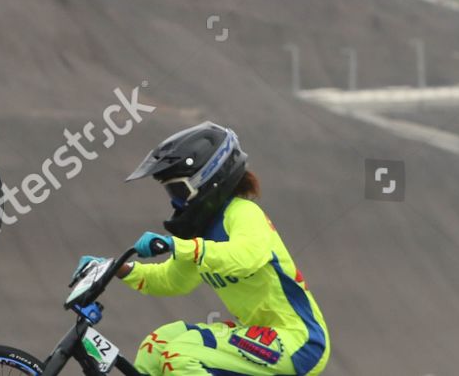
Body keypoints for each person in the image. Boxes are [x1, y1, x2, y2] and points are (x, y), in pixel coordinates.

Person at [94, 122, 329, 375]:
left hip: (298, 340)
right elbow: (173, 280)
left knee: (180, 357)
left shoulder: (244, 213)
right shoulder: (202, 233)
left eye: (179, 190)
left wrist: (178, 246)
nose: (175, 201)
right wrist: (119, 268)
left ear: (209, 179)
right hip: (258, 333)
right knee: (157, 345)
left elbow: (246, 257)